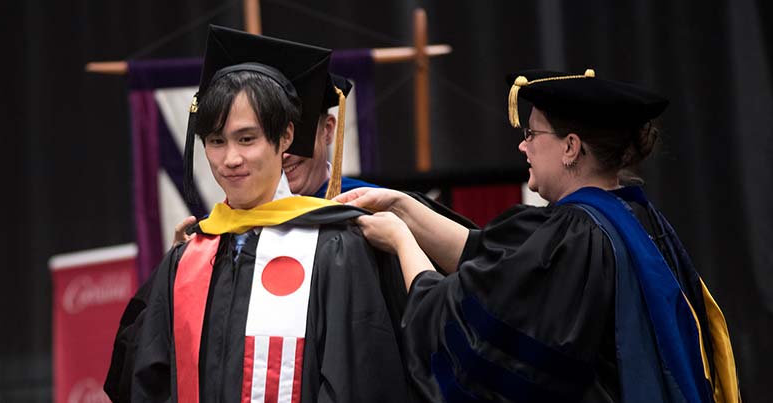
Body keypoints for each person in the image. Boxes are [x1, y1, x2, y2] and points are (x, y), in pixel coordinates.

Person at [335, 69, 740, 402]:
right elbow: (487, 257)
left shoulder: (574, 237)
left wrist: (401, 241)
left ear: (570, 147)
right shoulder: (630, 217)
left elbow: (467, 325)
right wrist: (402, 207)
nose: (522, 146)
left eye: (532, 134)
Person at [105, 25, 412, 403]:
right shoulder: (190, 258)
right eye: (216, 142)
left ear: (284, 138)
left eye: (246, 139)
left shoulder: (333, 248)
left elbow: (360, 380)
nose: (230, 159)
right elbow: (143, 379)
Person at [172, 74, 380, 245]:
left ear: (327, 131)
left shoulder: (367, 213)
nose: (283, 153)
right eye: (218, 140)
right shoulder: (215, 232)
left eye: (246, 139)